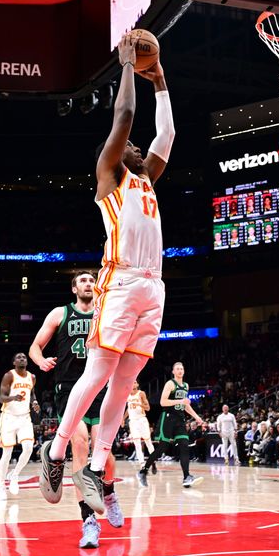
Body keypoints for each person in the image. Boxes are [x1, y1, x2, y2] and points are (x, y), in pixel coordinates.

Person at [38, 32, 174, 516]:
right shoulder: (110, 176)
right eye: (128, 146)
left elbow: (167, 136)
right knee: (98, 375)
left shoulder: (146, 179)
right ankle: (54, 453)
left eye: (137, 147)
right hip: (118, 280)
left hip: (154, 286)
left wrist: (160, 81)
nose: (137, 147)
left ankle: (95, 465)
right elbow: (124, 118)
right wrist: (126, 68)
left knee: (125, 383)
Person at [29, 272, 124, 548]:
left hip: (100, 386)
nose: (87, 284)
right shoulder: (60, 313)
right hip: (69, 389)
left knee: (105, 456)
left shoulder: (104, 311)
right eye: (82, 280)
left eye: (91, 280)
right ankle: (89, 523)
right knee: (80, 446)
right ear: (74, 288)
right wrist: (41, 360)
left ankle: (109, 491)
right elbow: (35, 346)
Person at [137, 362, 205, 488]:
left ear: (184, 371)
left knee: (184, 445)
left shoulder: (185, 385)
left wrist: (197, 417)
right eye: (177, 369)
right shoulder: (170, 384)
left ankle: (186, 477)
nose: (180, 370)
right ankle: (143, 471)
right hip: (168, 418)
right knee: (162, 447)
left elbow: (185, 405)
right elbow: (163, 402)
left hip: (180, 419)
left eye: (181, 369)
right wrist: (180, 401)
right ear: (173, 371)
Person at [0, 353, 37, 500]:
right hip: (9, 417)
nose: (22, 359)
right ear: (14, 362)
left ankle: (15, 474)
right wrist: (14, 397)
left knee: (28, 448)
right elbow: (1, 398)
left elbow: (32, 394)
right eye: (18, 357)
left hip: (25, 417)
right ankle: (1, 484)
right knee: (7, 453)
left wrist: (35, 403)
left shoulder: (32, 377)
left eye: (24, 357)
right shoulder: (9, 376)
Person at [124, 380, 155, 465]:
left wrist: (140, 404)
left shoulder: (141, 393)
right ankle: (142, 464)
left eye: (134, 382)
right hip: (133, 421)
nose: (133, 384)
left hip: (141, 419)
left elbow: (148, 408)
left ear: (137, 384)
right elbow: (129, 409)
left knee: (148, 441)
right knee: (137, 443)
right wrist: (123, 418)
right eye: (131, 382)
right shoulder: (127, 395)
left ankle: (153, 461)